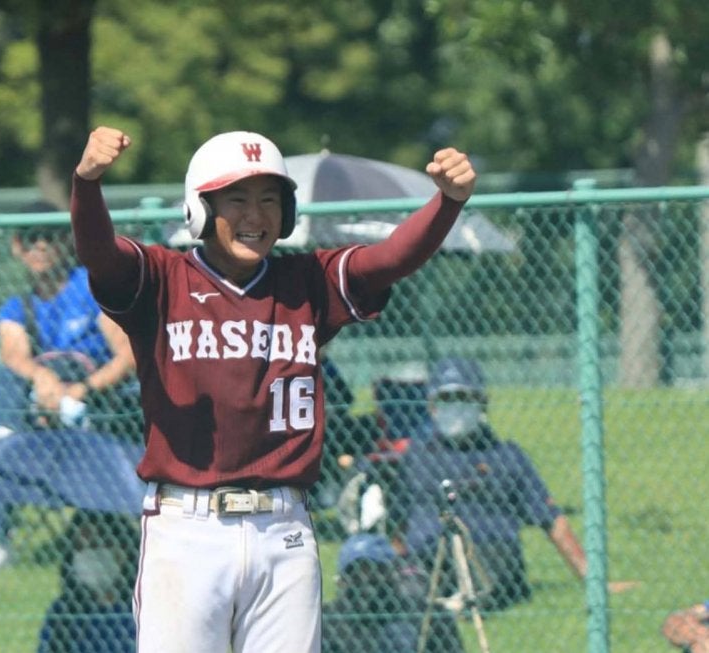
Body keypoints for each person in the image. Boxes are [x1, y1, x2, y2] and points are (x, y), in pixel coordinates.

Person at [71, 126, 476, 653]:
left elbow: (390, 258)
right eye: (236, 200)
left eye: (269, 200)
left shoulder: (308, 281)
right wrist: (87, 184)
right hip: (187, 528)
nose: (255, 215)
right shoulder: (164, 278)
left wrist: (448, 202)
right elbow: (99, 254)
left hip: (284, 529)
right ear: (200, 209)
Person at [0, 220, 138, 577]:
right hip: (42, 402)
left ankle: (107, 533)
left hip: (99, 397)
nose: (40, 247)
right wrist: (42, 378)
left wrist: (82, 390)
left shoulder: (94, 289)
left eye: (48, 238)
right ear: (17, 248)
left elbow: (128, 356)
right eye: (30, 239)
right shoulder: (17, 306)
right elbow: (13, 353)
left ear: (66, 244)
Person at [386, 356, 638, 611]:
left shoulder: (507, 456)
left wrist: (594, 581)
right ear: (431, 406)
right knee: (407, 588)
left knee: (488, 573)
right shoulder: (415, 458)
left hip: (489, 552)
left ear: (482, 402)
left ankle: (463, 603)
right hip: (431, 554)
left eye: (464, 397)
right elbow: (397, 524)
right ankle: (437, 604)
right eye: (447, 398)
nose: (456, 407)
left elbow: (551, 520)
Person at [323, 534, 463, 653]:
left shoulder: (427, 615)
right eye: (355, 573)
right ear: (342, 580)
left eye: (374, 570)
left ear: (392, 572)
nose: (365, 579)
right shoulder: (326, 621)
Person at [36, 510, 139, 653]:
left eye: (97, 545)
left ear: (123, 551)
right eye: (80, 547)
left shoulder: (141, 609)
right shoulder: (63, 610)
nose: (90, 554)